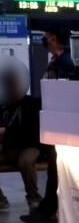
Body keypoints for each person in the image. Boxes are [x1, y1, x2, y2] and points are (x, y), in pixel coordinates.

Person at [21, 29, 75, 223]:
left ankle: (48, 209)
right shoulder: (57, 60)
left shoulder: (65, 62)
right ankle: (48, 208)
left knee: (55, 169)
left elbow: (63, 92)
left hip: (60, 123)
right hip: (54, 121)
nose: (44, 40)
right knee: (54, 169)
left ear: (54, 38)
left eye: (47, 36)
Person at [0, 65, 42, 210]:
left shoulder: (32, 103)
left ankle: (33, 197)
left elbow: (34, 128)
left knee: (25, 161)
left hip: (28, 146)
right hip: (9, 147)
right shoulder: (3, 105)